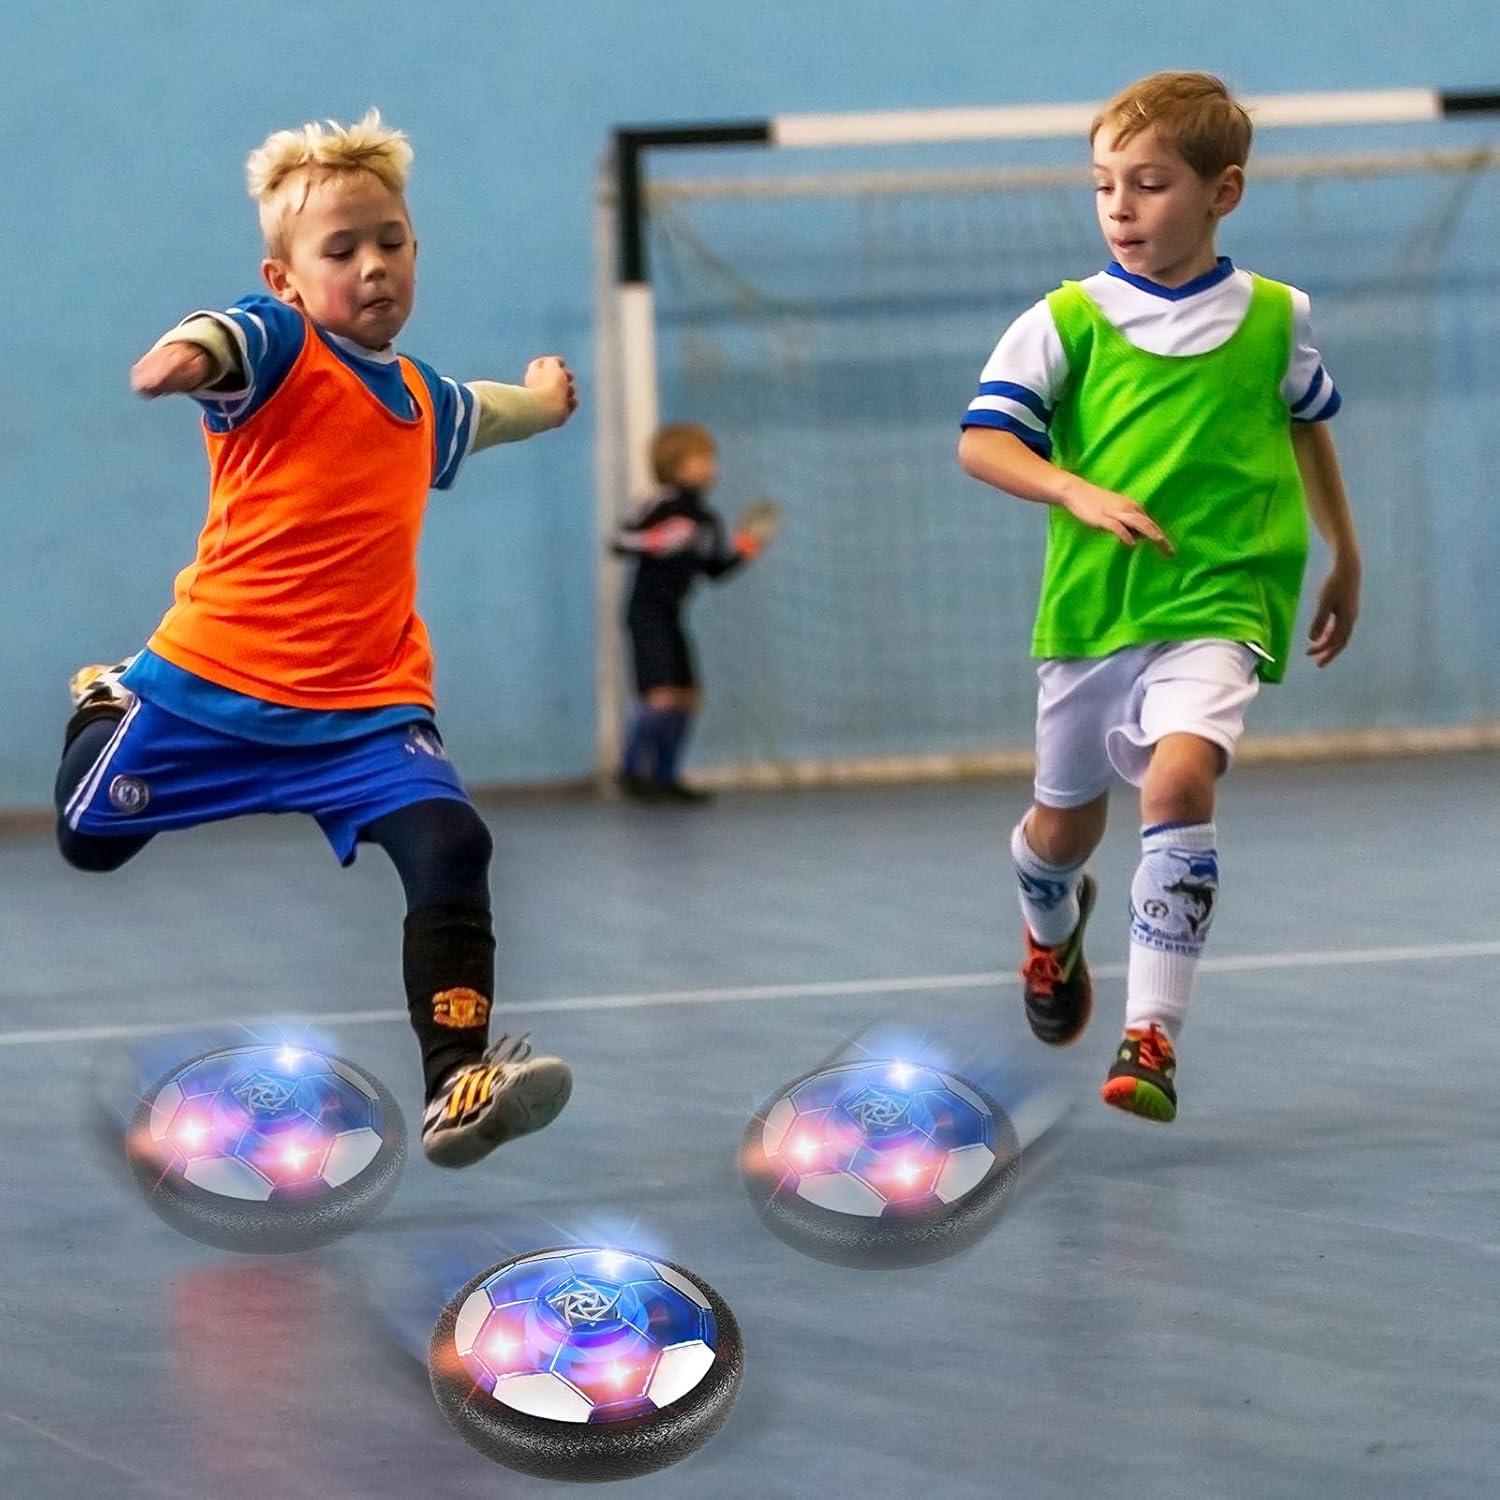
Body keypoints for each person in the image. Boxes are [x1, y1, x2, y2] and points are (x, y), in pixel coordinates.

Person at [57, 110, 580, 1168]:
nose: (372, 265)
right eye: (340, 251)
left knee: (453, 843)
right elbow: (223, 340)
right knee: (89, 842)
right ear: (288, 277)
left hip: (366, 705)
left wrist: (544, 402)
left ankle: (456, 1081)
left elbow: (482, 408)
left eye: (388, 240)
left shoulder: (421, 399)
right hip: (215, 685)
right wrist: (182, 356)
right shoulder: (280, 345)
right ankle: (111, 698)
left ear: (416, 251)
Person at [958, 71, 1361, 1121]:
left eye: (1149, 183)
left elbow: (1307, 421)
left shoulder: (1278, 316)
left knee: (1180, 784)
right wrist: (1072, 488)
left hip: (1222, 600)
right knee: (1063, 831)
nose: (1122, 208)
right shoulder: (1066, 320)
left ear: (1223, 192)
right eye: (1104, 187)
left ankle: (1151, 1038)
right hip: (1095, 613)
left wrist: (1344, 553)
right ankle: (1049, 922)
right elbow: (982, 442)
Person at [611, 424, 778, 803]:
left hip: (673, 613)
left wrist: (749, 544)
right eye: (700, 460)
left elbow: (715, 570)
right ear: (674, 465)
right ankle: (632, 771)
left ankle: (667, 776)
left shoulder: (707, 519)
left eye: (710, 460)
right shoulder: (659, 505)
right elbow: (620, 541)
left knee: (688, 696)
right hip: (646, 612)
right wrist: (659, 539)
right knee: (661, 696)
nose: (710, 468)